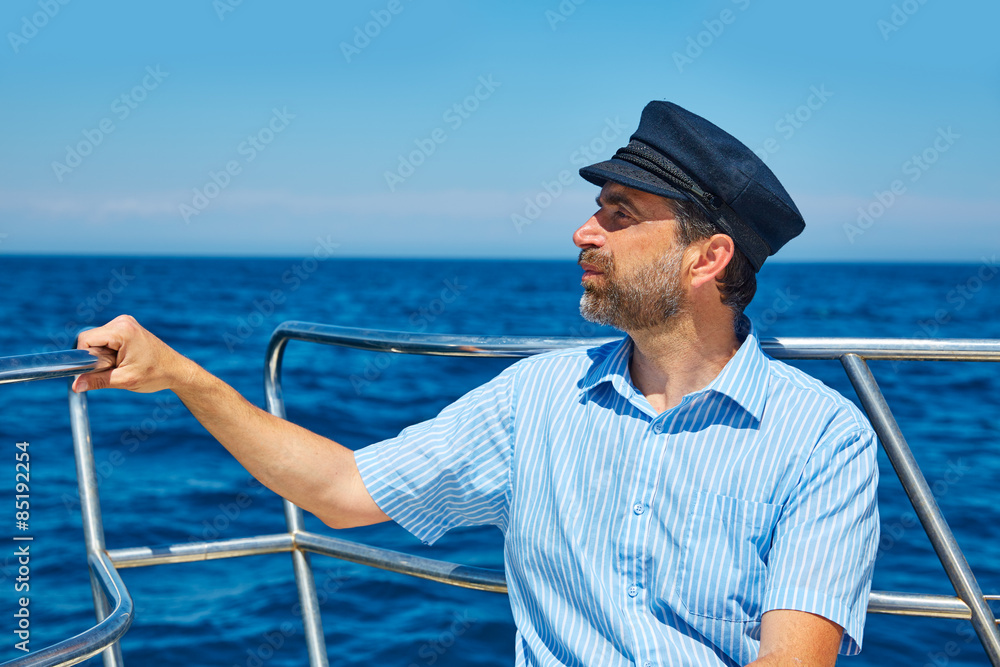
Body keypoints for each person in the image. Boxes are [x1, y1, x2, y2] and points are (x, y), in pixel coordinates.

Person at [74, 101, 879, 667]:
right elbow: (343, 491)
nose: (583, 231)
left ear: (708, 260)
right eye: (596, 208)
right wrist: (184, 375)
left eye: (620, 213)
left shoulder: (821, 437)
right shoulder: (537, 399)